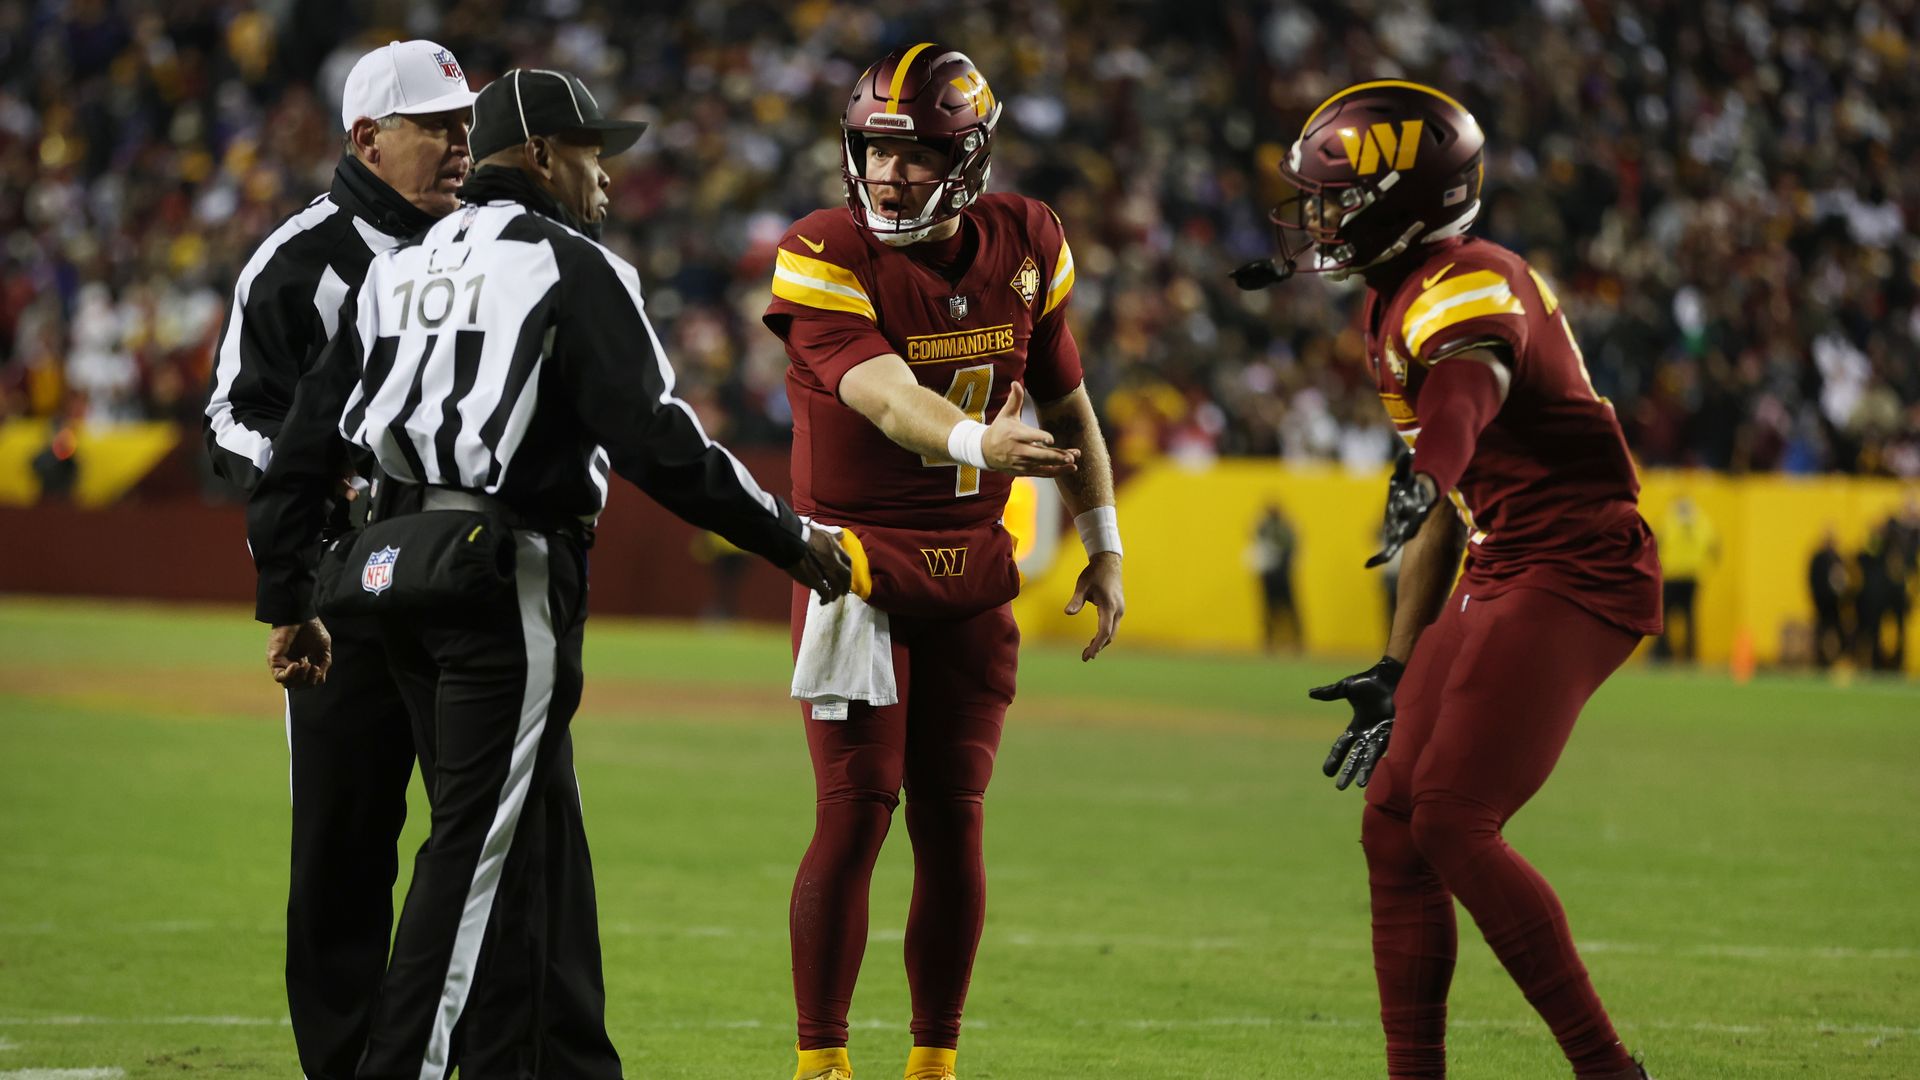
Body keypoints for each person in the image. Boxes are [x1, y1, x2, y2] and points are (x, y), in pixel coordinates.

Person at [247, 67, 855, 1079]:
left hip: (388, 569)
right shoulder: (568, 266)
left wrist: (288, 601)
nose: (605, 176)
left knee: (519, 838)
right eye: (589, 151)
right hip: (504, 570)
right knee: (476, 852)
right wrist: (789, 538)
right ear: (536, 153)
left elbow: (304, 444)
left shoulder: (396, 267)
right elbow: (659, 441)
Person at [1238, 80, 1662, 1079]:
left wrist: (1426, 464)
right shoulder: (1396, 299)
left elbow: (1470, 395)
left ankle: (1610, 1071)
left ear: (1404, 199)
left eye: (1337, 199)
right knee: (1392, 823)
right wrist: (1394, 665)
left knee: (1453, 819)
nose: (1319, 218)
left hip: (1578, 562)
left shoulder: (1469, 280)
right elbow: (1440, 505)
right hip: (1504, 554)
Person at [762, 44, 1125, 1080]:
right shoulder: (822, 248)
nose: (887, 175)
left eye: (914, 155)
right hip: (856, 572)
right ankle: (821, 1063)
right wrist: (976, 443)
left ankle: (934, 1062)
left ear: (968, 159)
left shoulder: (1028, 238)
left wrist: (1104, 543)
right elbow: (880, 393)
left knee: (954, 819)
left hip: (972, 572)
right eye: (874, 150)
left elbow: (1068, 407)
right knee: (857, 809)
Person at [200, 40, 478, 1079]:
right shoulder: (295, 262)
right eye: (437, 126)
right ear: (368, 137)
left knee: (483, 845)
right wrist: (327, 476)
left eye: (466, 125)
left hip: (463, 589)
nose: (461, 145)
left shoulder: (490, 243)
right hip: (345, 599)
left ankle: (461, 1054)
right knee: (342, 853)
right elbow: (230, 417)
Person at [1652, 494, 1716, 661]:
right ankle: (1690, 655)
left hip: (1672, 575)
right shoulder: (1701, 520)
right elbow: (1714, 547)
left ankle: (1664, 652)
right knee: (1690, 618)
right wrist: (1704, 569)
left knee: (1664, 617)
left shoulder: (1668, 518)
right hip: (1692, 577)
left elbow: (1655, 543)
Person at [1248, 502, 1302, 651]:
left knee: (1289, 609)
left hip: (1283, 575)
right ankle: (1269, 641)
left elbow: (1292, 547)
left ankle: (1297, 641)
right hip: (1268, 576)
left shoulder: (1286, 527)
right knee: (1269, 610)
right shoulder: (1263, 527)